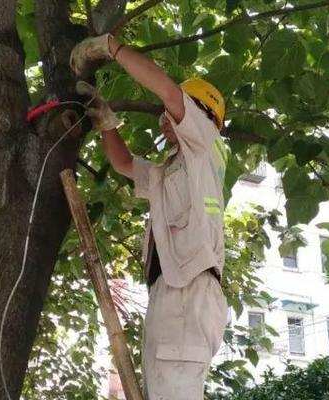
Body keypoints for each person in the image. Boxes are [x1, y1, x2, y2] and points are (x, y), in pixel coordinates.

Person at [70, 33, 229, 400]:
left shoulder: (204, 143)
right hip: (170, 291)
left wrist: (111, 47)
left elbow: (170, 94)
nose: (164, 118)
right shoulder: (174, 170)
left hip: (188, 291)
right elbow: (124, 163)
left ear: (202, 116)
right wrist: (105, 121)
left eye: (174, 113)